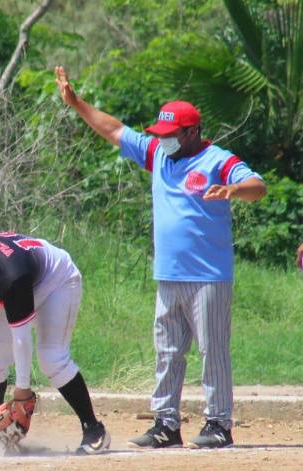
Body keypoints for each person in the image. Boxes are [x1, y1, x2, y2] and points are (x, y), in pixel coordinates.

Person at [55, 66, 267, 449]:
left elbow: (258, 186)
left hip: (209, 276)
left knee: (212, 350)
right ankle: (166, 424)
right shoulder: (158, 154)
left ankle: (219, 424)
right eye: (160, 134)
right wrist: (77, 104)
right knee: (168, 352)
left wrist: (232, 190)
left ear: (191, 132)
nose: (163, 140)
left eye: (170, 135)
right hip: (168, 274)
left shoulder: (217, 159)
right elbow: (114, 129)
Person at [0, 231, 111, 455]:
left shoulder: (10, 276)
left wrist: (23, 392)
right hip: (17, 282)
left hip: (55, 283)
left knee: (52, 359)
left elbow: (21, 338)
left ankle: (94, 430)